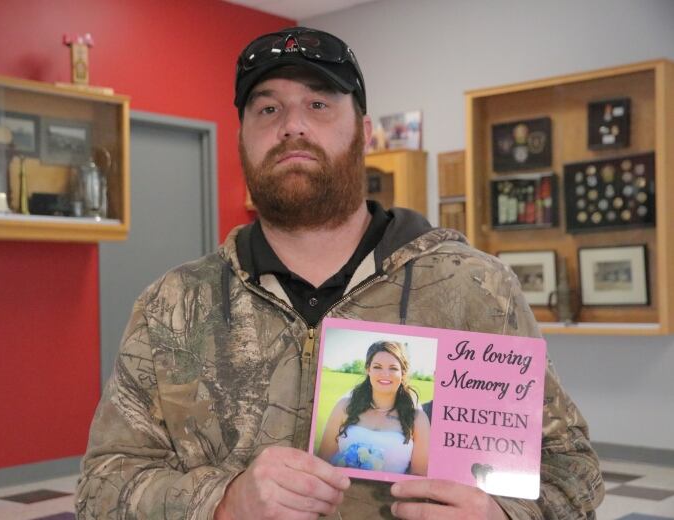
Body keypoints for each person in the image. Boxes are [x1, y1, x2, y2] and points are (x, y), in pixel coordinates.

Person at [76, 26, 604, 519]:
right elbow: (101, 487)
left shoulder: (476, 288)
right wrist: (223, 501)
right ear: (243, 139)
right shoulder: (172, 304)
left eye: (319, 104)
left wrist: (502, 514)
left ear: (365, 133)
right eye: (267, 109)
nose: (292, 125)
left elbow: (571, 471)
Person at [317, 340, 430, 476]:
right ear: (368, 369)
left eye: (393, 368)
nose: (385, 374)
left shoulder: (417, 419)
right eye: (377, 367)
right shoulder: (344, 407)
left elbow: (419, 477)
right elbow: (322, 462)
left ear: (403, 373)